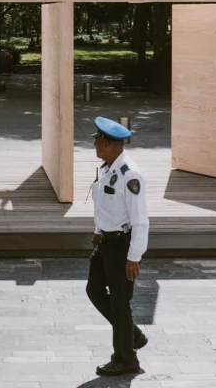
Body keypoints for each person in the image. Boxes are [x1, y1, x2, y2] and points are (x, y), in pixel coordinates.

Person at [86, 116, 149, 377]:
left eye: (98, 142)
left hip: (122, 247)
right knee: (94, 290)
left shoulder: (129, 174)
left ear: (109, 144)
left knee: (120, 304)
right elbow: (105, 205)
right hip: (107, 243)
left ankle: (125, 359)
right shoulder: (108, 168)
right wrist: (98, 231)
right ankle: (132, 334)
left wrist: (134, 257)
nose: (95, 146)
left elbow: (140, 220)